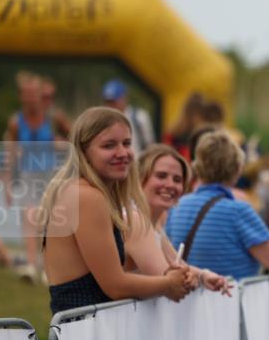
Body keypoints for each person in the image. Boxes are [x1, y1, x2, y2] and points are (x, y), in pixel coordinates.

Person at [38, 107, 190, 315]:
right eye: (109, 145)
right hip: (85, 332)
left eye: (127, 143)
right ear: (84, 152)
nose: (122, 153)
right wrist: (167, 285)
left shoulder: (79, 191)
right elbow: (115, 285)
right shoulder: (88, 196)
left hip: (83, 329)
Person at [165, 130, 269, 284]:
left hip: (186, 299)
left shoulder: (177, 206)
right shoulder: (238, 211)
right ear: (237, 169)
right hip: (228, 298)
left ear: (197, 165)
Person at [124, 145, 230, 295]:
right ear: (140, 179)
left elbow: (176, 263)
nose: (170, 185)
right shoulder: (136, 220)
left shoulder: (153, 223)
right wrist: (188, 277)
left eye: (177, 179)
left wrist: (203, 275)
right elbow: (167, 278)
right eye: (161, 176)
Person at [4, 71, 72, 282]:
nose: (31, 97)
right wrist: (7, 182)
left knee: (48, 220)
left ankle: (47, 266)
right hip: (27, 174)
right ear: (21, 96)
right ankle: (31, 265)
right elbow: (11, 152)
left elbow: (76, 137)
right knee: (28, 216)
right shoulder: (16, 122)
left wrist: (61, 144)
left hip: (51, 174)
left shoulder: (53, 118)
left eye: (34, 93)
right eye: (27, 93)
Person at [102, 79, 155, 155]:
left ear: (123, 98)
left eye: (114, 102)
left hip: (138, 163)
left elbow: (150, 145)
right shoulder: (102, 121)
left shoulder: (139, 117)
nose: (111, 105)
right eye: (108, 102)